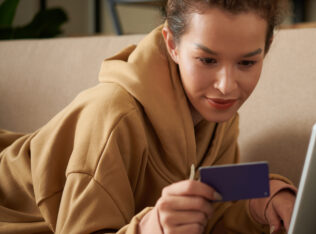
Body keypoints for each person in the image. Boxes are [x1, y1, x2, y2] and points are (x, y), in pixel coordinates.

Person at [0, 0, 296, 233]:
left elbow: (211, 210)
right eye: (207, 60)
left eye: (247, 62)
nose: (226, 85)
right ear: (172, 45)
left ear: (266, 50)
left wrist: (261, 202)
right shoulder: (113, 116)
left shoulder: (219, 114)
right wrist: (151, 228)